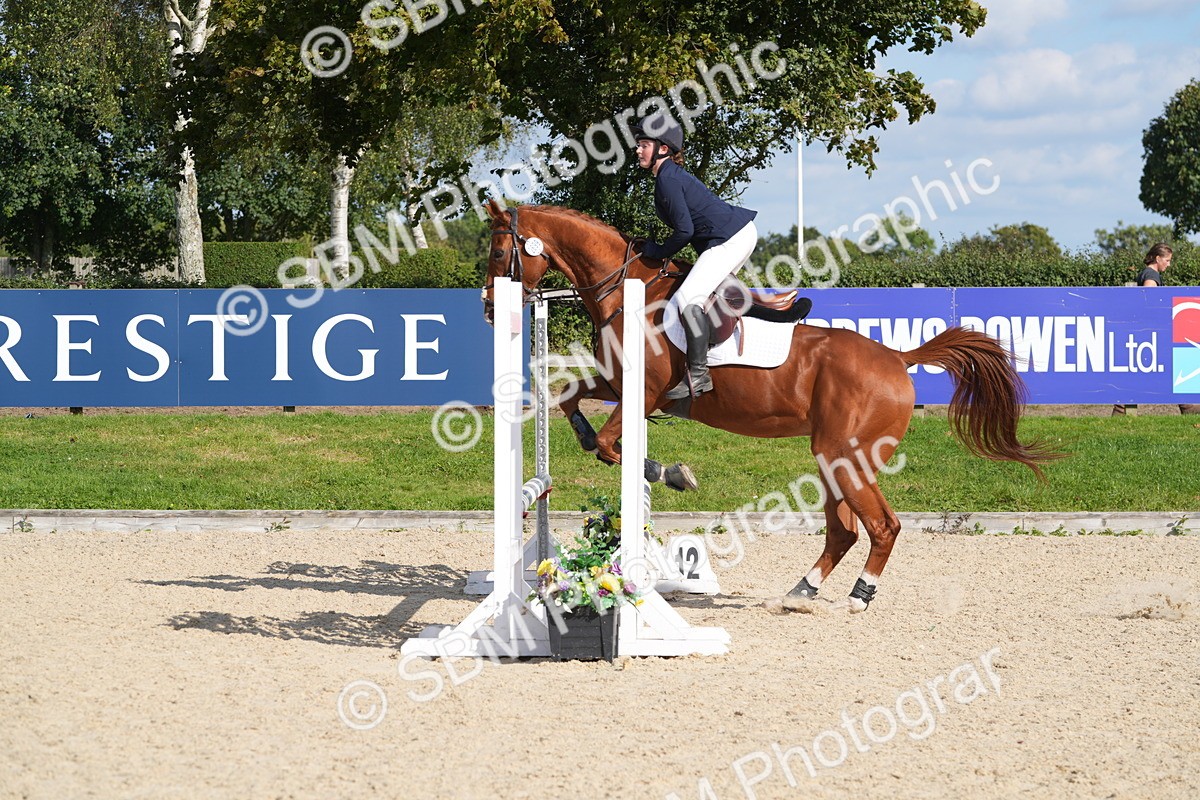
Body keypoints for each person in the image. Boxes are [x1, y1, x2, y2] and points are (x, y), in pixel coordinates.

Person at [632, 113, 758, 400]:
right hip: (736, 235)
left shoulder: (668, 179)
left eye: (644, 144)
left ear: (663, 148)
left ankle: (699, 375)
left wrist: (658, 251)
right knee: (704, 294)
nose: (638, 149)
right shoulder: (667, 176)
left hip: (731, 237)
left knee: (688, 298)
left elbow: (684, 230)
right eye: (638, 145)